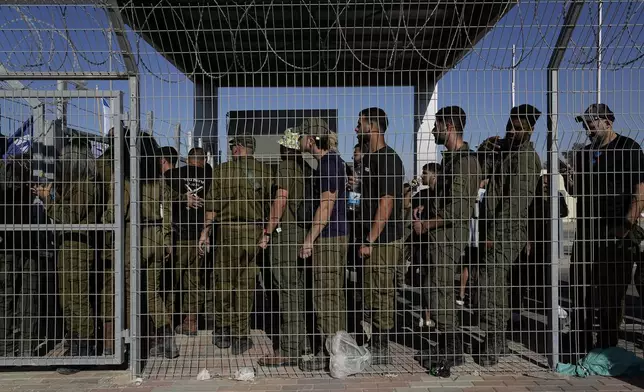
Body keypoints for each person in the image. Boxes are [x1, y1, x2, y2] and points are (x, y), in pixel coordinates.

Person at [564, 104, 644, 356]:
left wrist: (627, 225)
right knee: (582, 287)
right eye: (585, 123)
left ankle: (608, 345)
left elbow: (640, 190)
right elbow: (576, 192)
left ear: (608, 122)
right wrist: (569, 178)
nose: (587, 128)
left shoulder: (628, 148)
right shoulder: (586, 153)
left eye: (592, 122)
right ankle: (581, 341)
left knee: (612, 293)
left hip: (616, 232)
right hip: (588, 232)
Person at [412, 106, 482, 370]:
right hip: (438, 237)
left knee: (441, 293)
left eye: (437, 125)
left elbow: (459, 209)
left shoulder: (464, 161)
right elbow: (445, 199)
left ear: (449, 126)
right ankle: (444, 345)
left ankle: (452, 350)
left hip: (447, 238)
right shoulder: (451, 160)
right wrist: (426, 208)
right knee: (436, 290)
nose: (433, 130)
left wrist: (426, 224)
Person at [101, 133, 179, 360]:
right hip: (155, 238)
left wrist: (102, 220)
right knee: (152, 293)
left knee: (127, 292)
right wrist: (166, 241)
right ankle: (168, 342)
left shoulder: (124, 179)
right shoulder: (159, 180)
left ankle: (129, 344)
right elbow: (167, 214)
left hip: (131, 240)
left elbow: (114, 214)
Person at [476, 104, 543, 366]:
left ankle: (494, 339)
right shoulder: (507, 151)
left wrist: (493, 233)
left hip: (507, 230)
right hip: (496, 229)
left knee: (491, 283)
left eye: (518, 128)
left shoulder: (525, 158)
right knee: (494, 283)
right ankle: (497, 339)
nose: (512, 132)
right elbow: (482, 168)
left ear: (530, 129)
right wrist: (486, 147)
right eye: (510, 126)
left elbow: (516, 203)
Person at [199, 136, 274, 355]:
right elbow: (272, 204)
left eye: (233, 146)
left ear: (238, 148)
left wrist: (205, 232)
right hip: (253, 232)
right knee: (245, 285)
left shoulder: (222, 171)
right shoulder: (265, 171)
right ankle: (242, 335)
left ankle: (223, 330)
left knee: (223, 282)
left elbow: (211, 206)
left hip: (227, 233)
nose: (231, 149)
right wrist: (266, 233)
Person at [33, 140, 103, 374]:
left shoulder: (85, 185)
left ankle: (84, 348)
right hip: (70, 245)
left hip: (78, 246)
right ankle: (75, 342)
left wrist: (48, 199)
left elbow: (70, 215)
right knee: (68, 298)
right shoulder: (78, 184)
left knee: (77, 298)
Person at [295, 118, 348, 371]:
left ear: (312, 140)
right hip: (334, 235)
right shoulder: (333, 161)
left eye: (304, 135)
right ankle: (336, 350)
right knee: (333, 295)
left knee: (325, 295)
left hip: (327, 237)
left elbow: (326, 206)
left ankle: (328, 354)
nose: (301, 139)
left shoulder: (328, 164)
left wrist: (308, 239)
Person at [258, 128, 312, 367]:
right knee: (298, 292)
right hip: (302, 234)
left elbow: (280, 200)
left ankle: (289, 350)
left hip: (286, 235)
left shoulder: (285, 167)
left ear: (286, 148)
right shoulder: (306, 169)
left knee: (286, 293)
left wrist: (267, 231)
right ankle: (301, 343)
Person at [355, 107, 404, 365]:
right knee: (372, 293)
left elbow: (386, 202)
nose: (355, 128)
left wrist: (370, 240)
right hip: (372, 238)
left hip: (383, 240)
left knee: (382, 292)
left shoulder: (388, 159)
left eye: (359, 123)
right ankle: (375, 342)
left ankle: (382, 348)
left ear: (372, 127)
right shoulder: (369, 159)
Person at [163, 147, 212, 335]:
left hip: (178, 235)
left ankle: (167, 322)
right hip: (200, 234)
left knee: (172, 280)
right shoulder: (210, 176)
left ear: (187, 159)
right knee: (194, 281)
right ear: (204, 159)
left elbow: (164, 200)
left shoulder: (173, 175)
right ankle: (190, 322)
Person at [0, 154, 40, 357]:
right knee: (26, 298)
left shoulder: (9, 180)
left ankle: (6, 348)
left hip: (8, 245)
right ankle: (25, 349)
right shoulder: (29, 182)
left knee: (7, 299)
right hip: (25, 246)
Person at [409, 163, 441, 327]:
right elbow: (407, 203)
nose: (422, 175)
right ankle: (426, 314)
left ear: (435, 175)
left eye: (425, 172)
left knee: (435, 281)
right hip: (421, 244)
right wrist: (409, 188)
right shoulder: (422, 194)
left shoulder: (442, 195)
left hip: (436, 244)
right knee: (424, 280)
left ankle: (435, 316)